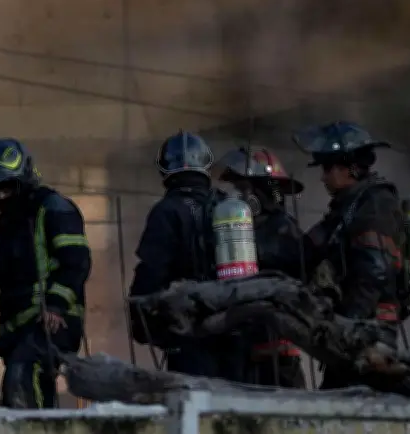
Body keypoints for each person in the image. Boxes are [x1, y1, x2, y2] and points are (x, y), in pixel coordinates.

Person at [0, 137, 90, 409]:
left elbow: (76, 262)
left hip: (52, 320)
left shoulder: (54, 209)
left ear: (23, 178)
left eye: (6, 188)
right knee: (19, 395)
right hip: (21, 325)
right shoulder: (7, 223)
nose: (1, 196)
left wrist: (56, 305)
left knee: (24, 381)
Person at [293, 121, 403, 390]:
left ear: (349, 167)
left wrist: (350, 329)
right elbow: (302, 251)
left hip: (370, 340)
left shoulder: (374, 205)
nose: (323, 177)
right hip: (350, 336)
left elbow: (374, 271)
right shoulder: (345, 209)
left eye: (327, 168)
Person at [128, 130, 237, 378]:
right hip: (234, 326)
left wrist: (141, 319)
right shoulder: (227, 206)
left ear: (165, 169)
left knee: (195, 404)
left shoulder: (167, 211)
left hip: (189, 330)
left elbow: (152, 269)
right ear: (206, 165)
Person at [212, 146, 307, 388]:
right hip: (243, 347)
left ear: (258, 192)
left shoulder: (283, 230)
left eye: (241, 188)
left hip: (275, 351)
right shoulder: (246, 229)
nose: (234, 196)